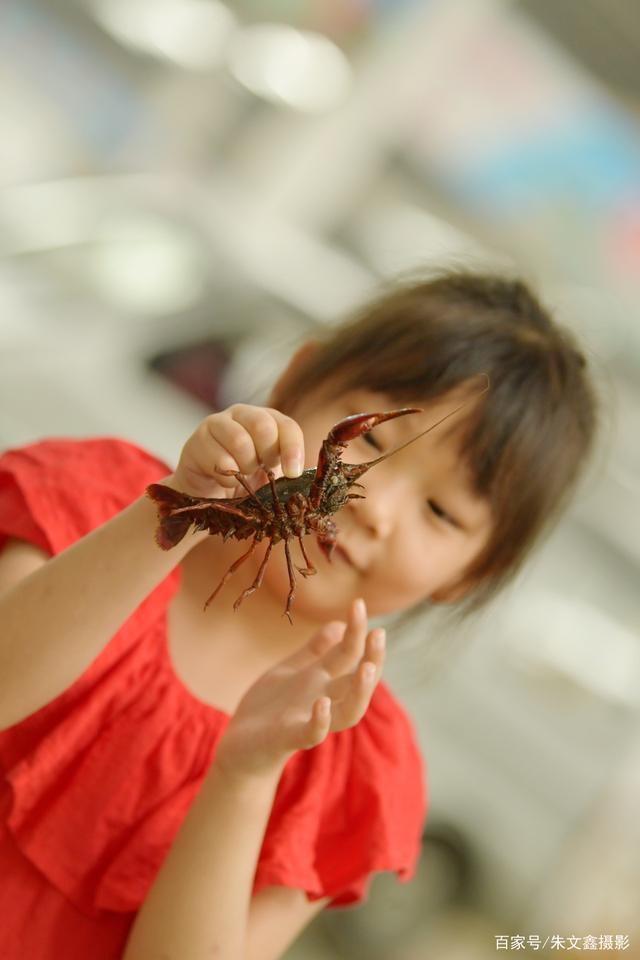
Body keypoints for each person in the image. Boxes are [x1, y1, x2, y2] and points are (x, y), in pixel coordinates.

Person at [0, 269, 597, 959]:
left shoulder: (351, 765)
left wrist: (245, 777)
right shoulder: (89, 502)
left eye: (441, 512)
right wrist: (177, 505)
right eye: (368, 445)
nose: (374, 505)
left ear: (474, 572)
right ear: (296, 381)